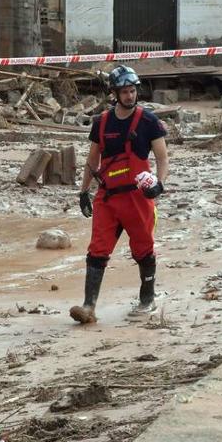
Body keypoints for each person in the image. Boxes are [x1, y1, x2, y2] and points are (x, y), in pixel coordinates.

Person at [70, 65, 169, 324]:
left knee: (143, 249)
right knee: (97, 250)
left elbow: (163, 158)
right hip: (107, 198)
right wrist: (83, 192)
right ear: (114, 93)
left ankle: (147, 300)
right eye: (124, 91)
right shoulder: (101, 122)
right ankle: (88, 306)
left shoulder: (149, 121)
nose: (129, 96)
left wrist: (160, 184)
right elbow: (92, 160)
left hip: (138, 199)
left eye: (132, 90)